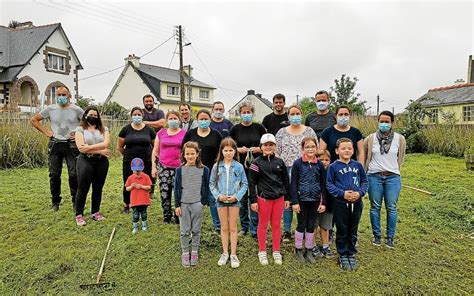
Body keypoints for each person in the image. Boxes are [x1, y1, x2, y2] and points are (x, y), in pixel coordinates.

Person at [31, 86, 83, 211]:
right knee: (54, 174)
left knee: (73, 174)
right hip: (55, 144)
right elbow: (34, 120)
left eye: (63, 95)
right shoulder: (51, 109)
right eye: (58, 95)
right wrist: (46, 132)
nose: (61, 97)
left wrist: (78, 132)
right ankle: (55, 202)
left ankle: (75, 202)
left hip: (71, 145)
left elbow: (89, 122)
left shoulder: (76, 109)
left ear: (69, 95)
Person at [364, 111, 406, 249]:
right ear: (378, 121)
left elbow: (401, 157)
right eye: (381, 121)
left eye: (387, 121)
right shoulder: (370, 139)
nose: (384, 124)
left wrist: (395, 169)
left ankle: (390, 237)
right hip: (374, 176)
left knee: (392, 207)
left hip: (393, 177)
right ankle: (376, 236)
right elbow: (364, 157)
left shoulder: (400, 139)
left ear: (392, 122)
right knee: (375, 207)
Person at [275, 105, 317, 242]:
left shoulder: (309, 131)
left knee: (303, 200)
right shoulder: (281, 132)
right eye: (292, 114)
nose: (295, 116)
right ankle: (287, 231)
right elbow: (277, 150)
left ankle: (303, 228)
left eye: (297, 113)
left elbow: (314, 148)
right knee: (288, 200)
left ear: (302, 114)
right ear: (288, 116)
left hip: (305, 169)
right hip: (286, 170)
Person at [326, 138, 368, 271]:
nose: (347, 150)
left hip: (356, 203)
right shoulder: (333, 167)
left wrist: (360, 193)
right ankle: (343, 254)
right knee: (342, 229)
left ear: (353, 150)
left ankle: (351, 253)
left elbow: (364, 182)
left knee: (353, 228)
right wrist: (342, 194)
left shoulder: (358, 166)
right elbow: (329, 184)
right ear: (337, 151)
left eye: (349, 148)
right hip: (340, 203)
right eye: (343, 148)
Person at [249, 134, 290, 266]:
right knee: (263, 224)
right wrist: (253, 200)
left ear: (275, 147)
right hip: (263, 199)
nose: (268, 147)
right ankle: (262, 251)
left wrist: (287, 197)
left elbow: (285, 181)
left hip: (279, 198)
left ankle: (276, 250)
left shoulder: (280, 162)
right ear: (261, 147)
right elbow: (252, 183)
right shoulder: (255, 163)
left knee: (277, 225)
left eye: (271, 145)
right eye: (265, 145)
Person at [210, 138, 248, 268]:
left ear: (235, 151)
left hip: (233, 201)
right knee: (224, 227)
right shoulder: (216, 166)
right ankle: (225, 252)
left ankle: (233, 254)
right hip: (221, 201)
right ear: (221, 151)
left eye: (231, 150)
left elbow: (245, 184)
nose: (228, 153)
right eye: (225, 150)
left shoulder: (239, 166)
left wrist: (237, 197)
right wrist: (218, 196)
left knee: (233, 227)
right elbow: (211, 184)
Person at [229, 101, 266, 238]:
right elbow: (229, 147)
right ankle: (244, 226)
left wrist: (260, 149)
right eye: (243, 112)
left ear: (252, 113)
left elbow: (267, 145)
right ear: (240, 114)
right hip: (240, 167)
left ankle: (254, 227)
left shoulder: (260, 128)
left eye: (248, 112)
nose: (246, 114)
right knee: (242, 197)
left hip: (257, 167)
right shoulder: (235, 129)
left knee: (255, 197)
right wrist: (237, 149)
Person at [182, 109, 222, 232]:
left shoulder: (216, 134)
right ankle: (193, 224)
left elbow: (221, 152)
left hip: (212, 171)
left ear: (210, 120)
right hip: (194, 171)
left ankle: (217, 225)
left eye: (206, 119)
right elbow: (183, 151)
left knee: (212, 198)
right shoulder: (190, 134)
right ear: (197, 120)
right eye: (201, 119)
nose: (203, 121)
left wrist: (218, 167)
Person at [290, 137, 326, 264]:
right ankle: (298, 249)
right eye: (307, 147)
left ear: (316, 148)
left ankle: (309, 249)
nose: (310, 149)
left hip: (315, 200)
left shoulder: (320, 165)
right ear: (302, 149)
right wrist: (294, 202)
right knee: (301, 224)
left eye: (312, 146)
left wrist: (323, 202)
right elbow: (293, 183)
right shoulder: (297, 164)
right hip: (301, 200)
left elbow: (323, 184)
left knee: (311, 225)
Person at [174, 141, 210, 267]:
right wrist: (177, 205)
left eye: (192, 154)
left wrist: (203, 202)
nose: (190, 156)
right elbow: (177, 188)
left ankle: (194, 251)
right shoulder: (179, 170)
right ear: (183, 155)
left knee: (196, 230)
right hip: (184, 204)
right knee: (184, 231)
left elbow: (206, 186)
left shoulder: (204, 170)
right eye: (187, 154)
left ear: (197, 154)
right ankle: (185, 252)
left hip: (197, 204)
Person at [74, 106, 111, 226]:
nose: (93, 117)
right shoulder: (79, 129)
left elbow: (106, 143)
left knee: (98, 188)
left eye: (96, 115)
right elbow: (80, 148)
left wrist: (88, 148)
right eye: (91, 115)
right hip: (85, 161)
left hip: (101, 162)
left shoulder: (104, 129)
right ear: (85, 115)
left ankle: (95, 212)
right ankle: (79, 214)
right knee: (83, 188)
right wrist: (100, 151)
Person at [118, 107, 156, 214]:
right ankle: (127, 204)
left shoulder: (149, 130)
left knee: (145, 182)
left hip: (146, 162)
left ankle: (142, 204)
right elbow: (120, 147)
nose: (137, 117)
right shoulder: (125, 129)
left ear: (142, 116)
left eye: (139, 115)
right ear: (131, 116)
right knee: (128, 182)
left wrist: (151, 157)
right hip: (129, 162)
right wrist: (128, 156)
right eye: (135, 115)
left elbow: (155, 146)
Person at [151, 111, 186, 224]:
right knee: (164, 192)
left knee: (179, 193)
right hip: (164, 167)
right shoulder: (161, 133)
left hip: (180, 168)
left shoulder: (185, 133)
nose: (173, 120)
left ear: (179, 120)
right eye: (170, 118)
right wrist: (154, 167)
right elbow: (155, 151)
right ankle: (167, 216)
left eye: (175, 118)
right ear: (166, 120)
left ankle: (178, 216)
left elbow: (188, 151)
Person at [314, 149, 335, 258]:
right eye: (321, 159)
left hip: (328, 205)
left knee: (325, 226)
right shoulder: (313, 171)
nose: (324, 162)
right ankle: (312, 245)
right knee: (313, 226)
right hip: (314, 203)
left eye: (327, 160)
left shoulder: (332, 173)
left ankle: (325, 246)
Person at [125, 158, 152, 234]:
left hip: (144, 200)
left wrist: (141, 186)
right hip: (135, 201)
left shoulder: (146, 177)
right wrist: (131, 186)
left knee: (144, 214)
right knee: (135, 215)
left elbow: (149, 187)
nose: (137, 172)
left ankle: (144, 226)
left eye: (139, 170)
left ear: (142, 168)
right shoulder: (130, 178)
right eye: (135, 170)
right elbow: (127, 188)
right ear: (131, 169)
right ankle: (135, 227)